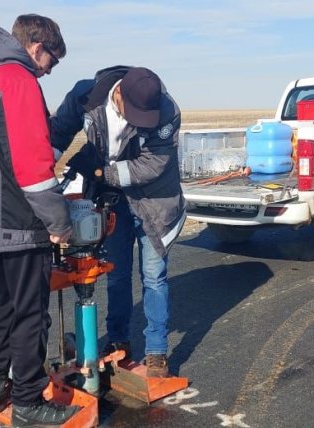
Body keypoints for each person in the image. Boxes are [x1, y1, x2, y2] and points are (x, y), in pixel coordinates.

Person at [0, 14, 78, 426]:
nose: (47, 71)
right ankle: (27, 401)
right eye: (51, 62)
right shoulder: (18, 80)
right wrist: (59, 223)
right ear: (37, 45)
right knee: (30, 315)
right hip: (19, 222)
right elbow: (34, 168)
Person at [51, 66, 186, 377]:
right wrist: (43, 168)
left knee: (153, 276)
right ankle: (118, 342)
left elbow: (153, 164)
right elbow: (58, 131)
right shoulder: (86, 97)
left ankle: (156, 353)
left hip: (154, 202)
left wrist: (101, 173)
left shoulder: (165, 110)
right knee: (116, 274)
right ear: (119, 95)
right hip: (112, 201)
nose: (136, 122)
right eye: (133, 113)